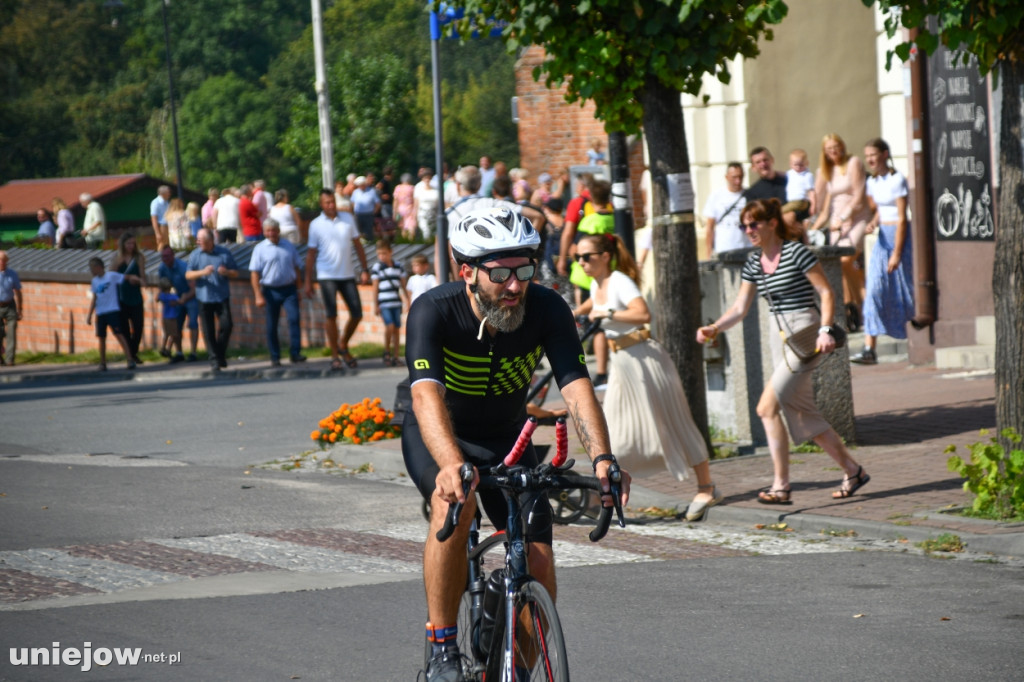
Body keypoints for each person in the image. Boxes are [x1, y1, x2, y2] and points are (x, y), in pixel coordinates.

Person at [402, 206, 631, 682]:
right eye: (500, 273)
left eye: (523, 270)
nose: (514, 285)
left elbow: (574, 385)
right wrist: (450, 464)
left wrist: (604, 459)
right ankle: (442, 648)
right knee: (455, 504)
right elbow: (426, 394)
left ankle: (516, 669)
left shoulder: (546, 308)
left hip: (508, 437)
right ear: (466, 270)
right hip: (444, 436)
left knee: (540, 561)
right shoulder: (433, 310)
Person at [697, 198, 870, 504]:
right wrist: (716, 327)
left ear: (772, 223)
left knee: (766, 407)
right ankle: (853, 470)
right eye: (744, 225)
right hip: (778, 335)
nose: (749, 230)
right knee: (804, 416)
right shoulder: (753, 262)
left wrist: (826, 330)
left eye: (754, 224)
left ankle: (781, 485)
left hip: (806, 334)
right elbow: (740, 307)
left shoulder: (796, 252)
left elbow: (827, 292)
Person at [573, 233, 722, 520]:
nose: (581, 262)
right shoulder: (597, 282)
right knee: (609, 428)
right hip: (622, 362)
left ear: (605, 256)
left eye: (586, 256)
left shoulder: (619, 281)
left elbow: (642, 314)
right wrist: (575, 312)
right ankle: (600, 495)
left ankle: (707, 488)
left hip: (645, 359)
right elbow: (593, 304)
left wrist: (609, 312)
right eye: (578, 257)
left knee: (676, 423)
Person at [853, 138, 915, 365]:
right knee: (873, 290)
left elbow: (900, 217)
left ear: (884, 154)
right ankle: (870, 348)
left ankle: (914, 337)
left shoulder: (896, 179)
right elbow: (881, 209)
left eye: (873, 154)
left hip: (899, 238)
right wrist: (874, 222)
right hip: (881, 240)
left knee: (904, 290)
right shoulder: (873, 182)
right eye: (866, 155)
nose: (869, 159)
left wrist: (897, 252)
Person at [809, 134, 873, 331]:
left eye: (836, 147)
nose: (834, 151)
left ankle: (857, 306)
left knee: (846, 260)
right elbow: (820, 203)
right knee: (847, 268)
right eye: (829, 149)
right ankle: (859, 309)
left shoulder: (854, 163)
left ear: (842, 146)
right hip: (837, 223)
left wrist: (842, 219)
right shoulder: (826, 170)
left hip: (856, 219)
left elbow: (859, 197)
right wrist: (810, 219)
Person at [304, 189, 370, 371]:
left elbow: (358, 245)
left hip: (347, 274)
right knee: (331, 314)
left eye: (332, 201)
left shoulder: (347, 219)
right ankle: (335, 355)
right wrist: (308, 280)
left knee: (357, 313)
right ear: (321, 204)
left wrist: (365, 269)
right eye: (327, 203)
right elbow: (310, 254)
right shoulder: (315, 224)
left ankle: (343, 344)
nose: (331, 205)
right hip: (326, 275)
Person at [250, 218, 305, 367]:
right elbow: (254, 273)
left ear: (278, 231)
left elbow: (297, 267)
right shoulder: (260, 249)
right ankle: (275, 356)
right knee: (272, 324)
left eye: (273, 230)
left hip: (289, 289)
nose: (271, 233)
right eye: (268, 231)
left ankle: (295, 353)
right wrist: (258, 295)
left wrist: (299, 289)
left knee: (294, 319)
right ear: (264, 232)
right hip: (270, 290)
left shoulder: (288, 246)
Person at [186, 228, 239, 372]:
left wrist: (226, 272)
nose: (198, 242)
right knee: (208, 330)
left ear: (210, 241)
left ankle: (220, 353)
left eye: (200, 240)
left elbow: (235, 272)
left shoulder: (224, 253)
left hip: (221, 295)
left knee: (227, 325)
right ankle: (214, 359)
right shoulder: (196, 255)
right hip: (204, 296)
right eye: (198, 240)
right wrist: (203, 272)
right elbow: (188, 275)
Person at [86, 257, 139, 372]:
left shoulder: (111, 276)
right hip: (101, 312)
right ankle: (103, 362)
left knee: (119, 334)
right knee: (101, 337)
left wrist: (135, 278)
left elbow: (125, 277)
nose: (91, 271)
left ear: (98, 267)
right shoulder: (95, 281)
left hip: (112, 310)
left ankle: (129, 359)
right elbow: (95, 298)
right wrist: (90, 314)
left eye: (92, 268)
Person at [370, 241, 409, 367]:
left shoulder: (398, 266)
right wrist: (375, 304)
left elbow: (403, 285)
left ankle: (396, 356)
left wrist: (407, 300)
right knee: (390, 326)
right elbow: (375, 287)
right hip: (384, 302)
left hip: (396, 302)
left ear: (390, 252)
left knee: (397, 329)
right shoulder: (377, 268)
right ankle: (387, 351)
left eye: (384, 253)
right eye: (379, 254)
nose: (382, 256)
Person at [158, 246, 199, 361]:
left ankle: (193, 353)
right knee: (176, 326)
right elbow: (162, 286)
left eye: (167, 256)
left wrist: (185, 298)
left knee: (192, 323)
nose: (165, 259)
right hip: (176, 298)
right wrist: (164, 297)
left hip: (189, 296)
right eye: (163, 256)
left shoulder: (182, 267)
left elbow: (194, 288)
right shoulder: (162, 268)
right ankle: (179, 353)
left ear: (173, 256)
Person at [702, 162, 750, 259]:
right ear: (727, 177)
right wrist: (709, 251)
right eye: (734, 177)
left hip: (746, 247)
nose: (738, 181)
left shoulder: (749, 195)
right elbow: (710, 226)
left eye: (740, 177)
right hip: (724, 249)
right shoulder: (716, 196)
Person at [112, 232, 146, 365]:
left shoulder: (139, 257)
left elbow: (143, 278)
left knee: (138, 326)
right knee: (124, 328)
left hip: (135, 296)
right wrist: (127, 277)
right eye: (128, 244)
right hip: (121, 296)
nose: (131, 246)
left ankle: (132, 352)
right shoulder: (117, 257)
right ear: (123, 244)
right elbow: (111, 275)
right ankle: (131, 356)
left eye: (133, 243)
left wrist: (138, 281)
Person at [0, 251, 23, 366]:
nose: (1, 263)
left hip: (9, 305)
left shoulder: (12, 274)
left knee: (12, 330)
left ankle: (10, 359)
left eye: (3, 260)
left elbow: (18, 291)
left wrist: (20, 309)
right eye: (0, 260)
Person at [156, 277, 183, 363]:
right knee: (174, 334)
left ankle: (164, 347)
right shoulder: (173, 296)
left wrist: (159, 290)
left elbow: (157, 299)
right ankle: (168, 349)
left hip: (165, 317)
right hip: (172, 318)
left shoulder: (163, 296)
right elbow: (180, 301)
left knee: (167, 333)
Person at [786, 149, 817, 221]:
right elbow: (781, 175)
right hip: (791, 202)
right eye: (795, 165)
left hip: (800, 201)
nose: (798, 167)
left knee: (780, 212)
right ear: (790, 164)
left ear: (807, 163)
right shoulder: (790, 173)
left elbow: (811, 192)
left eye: (801, 165)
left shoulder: (807, 175)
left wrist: (813, 205)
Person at [351, 175, 381, 243]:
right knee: (359, 232)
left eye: (362, 184)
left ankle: (370, 244)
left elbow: (377, 203)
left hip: (369, 214)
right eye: (359, 185)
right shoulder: (355, 192)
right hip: (358, 215)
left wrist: (374, 212)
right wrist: (354, 210)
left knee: (369, 232)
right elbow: (352, 202)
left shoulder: (371, 191)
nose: (360, 186)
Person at [413, 168, 440, 240]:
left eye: (428, 178)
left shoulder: (435, 189)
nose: (427, 180)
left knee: (434, 232)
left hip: (434, 214)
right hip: (423, 213)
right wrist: (414, 216)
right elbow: (416, 203)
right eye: (425, 178)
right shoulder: (418, 188)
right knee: (426, 232)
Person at [393, 173, 417, 241]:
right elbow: (414, 200)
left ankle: (404, 240)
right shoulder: (412, 188)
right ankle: (411, 240)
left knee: (403, 227)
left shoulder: (398, 188)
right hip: (410, 208)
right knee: (411, 226)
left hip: (400, 209)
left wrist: (394, 211)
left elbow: (395, 200)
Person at [150, 185, 172, 249]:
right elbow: (154, 219)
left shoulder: (167, 202)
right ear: (163, 193)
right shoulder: (155, 203)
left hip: (168, 225)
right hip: (162, 227)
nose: (169, 194)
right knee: (162, 245)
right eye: (168, 192)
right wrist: (157, 233)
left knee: (168, 245)